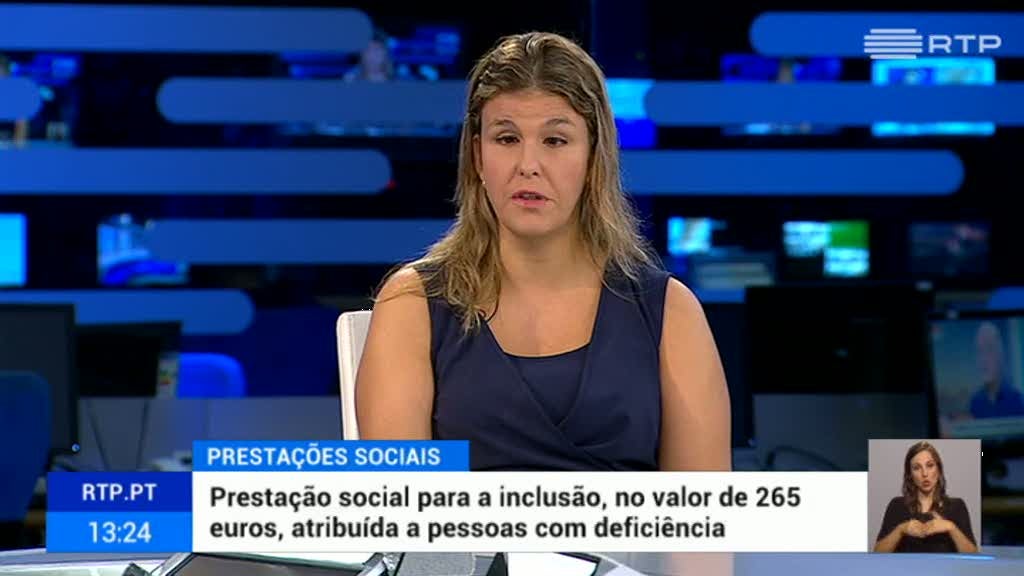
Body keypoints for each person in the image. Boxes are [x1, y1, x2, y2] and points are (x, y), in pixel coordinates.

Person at [353, 31, 730, 471]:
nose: (528, 165)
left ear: (593, 158)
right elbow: (401, 502)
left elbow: (701, 509)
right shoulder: (413, 305)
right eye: (506, 139)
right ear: (477, 155)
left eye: (555, 141)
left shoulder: (669, 313)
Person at [874, 441, 977, 553]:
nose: (924, 474)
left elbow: (973, 555)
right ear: (910, 475)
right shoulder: (897, 505)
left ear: (938, 469)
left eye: (930, 465)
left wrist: (951, 528)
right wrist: (900, 530)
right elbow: (877, 553)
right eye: (917, 468)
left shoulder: (957, 506)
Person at [969, 322, 1024, 418]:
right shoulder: (975, 402)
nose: (983, 360)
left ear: (1000, 355)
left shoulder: (1018, 401)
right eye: (980, 352)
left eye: (989, 350)